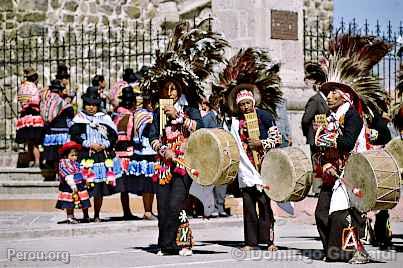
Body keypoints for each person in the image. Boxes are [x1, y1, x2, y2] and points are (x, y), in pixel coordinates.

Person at [307, 34, 391, 264]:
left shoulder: (352, 116)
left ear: (345, 95)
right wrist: (322, 156)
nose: (330, 95)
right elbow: (319, 146)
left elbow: (346, 143)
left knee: (343, 214)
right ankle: (334, 250)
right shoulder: (330, 117)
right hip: (331, 171)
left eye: (335, 92)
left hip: (351, 172)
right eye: (329, 92)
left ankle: (356, 251)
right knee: (321, 213)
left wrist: (328, 139)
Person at [69, 86, 119, 222]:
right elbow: (75, 136)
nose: (91, 108)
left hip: (102, 156)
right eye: (88, 105)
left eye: (94, 105)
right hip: (86, 156)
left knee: (98, 189)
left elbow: (113, 136)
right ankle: (85, 214)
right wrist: (88, 144)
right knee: (85, 186)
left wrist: (105, 145)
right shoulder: (79, 119)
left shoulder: (105, 118)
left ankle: (97, 214)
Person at [41, 80, 74, 180]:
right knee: (62, 155)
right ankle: (62, 175)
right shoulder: (63, 103)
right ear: (60, 91)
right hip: (62, 133)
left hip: (50, 133)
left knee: (52, 155)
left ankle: (51, 175)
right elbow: (70, 116)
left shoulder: (45, 103)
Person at [15, 67, 44, 168]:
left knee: (29, 141)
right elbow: (36, 101)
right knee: (35, 140)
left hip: (24, 116)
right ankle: (37, 161)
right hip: (33, 115)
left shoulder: (21, 87)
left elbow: (20, 100)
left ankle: (30, 160)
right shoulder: (33, 87)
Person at [56, 141, 90, 223]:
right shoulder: (63, 163)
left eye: (76, 155)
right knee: (69, 202)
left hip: (79, 184)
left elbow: (81, 172)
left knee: (83, 200)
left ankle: (86, 216)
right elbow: (66, 174)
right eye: (72, 155)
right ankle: (70, 216)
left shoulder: (76, 163)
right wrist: (72, 185)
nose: (74, 157)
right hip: (69, 186)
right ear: (66, 155)